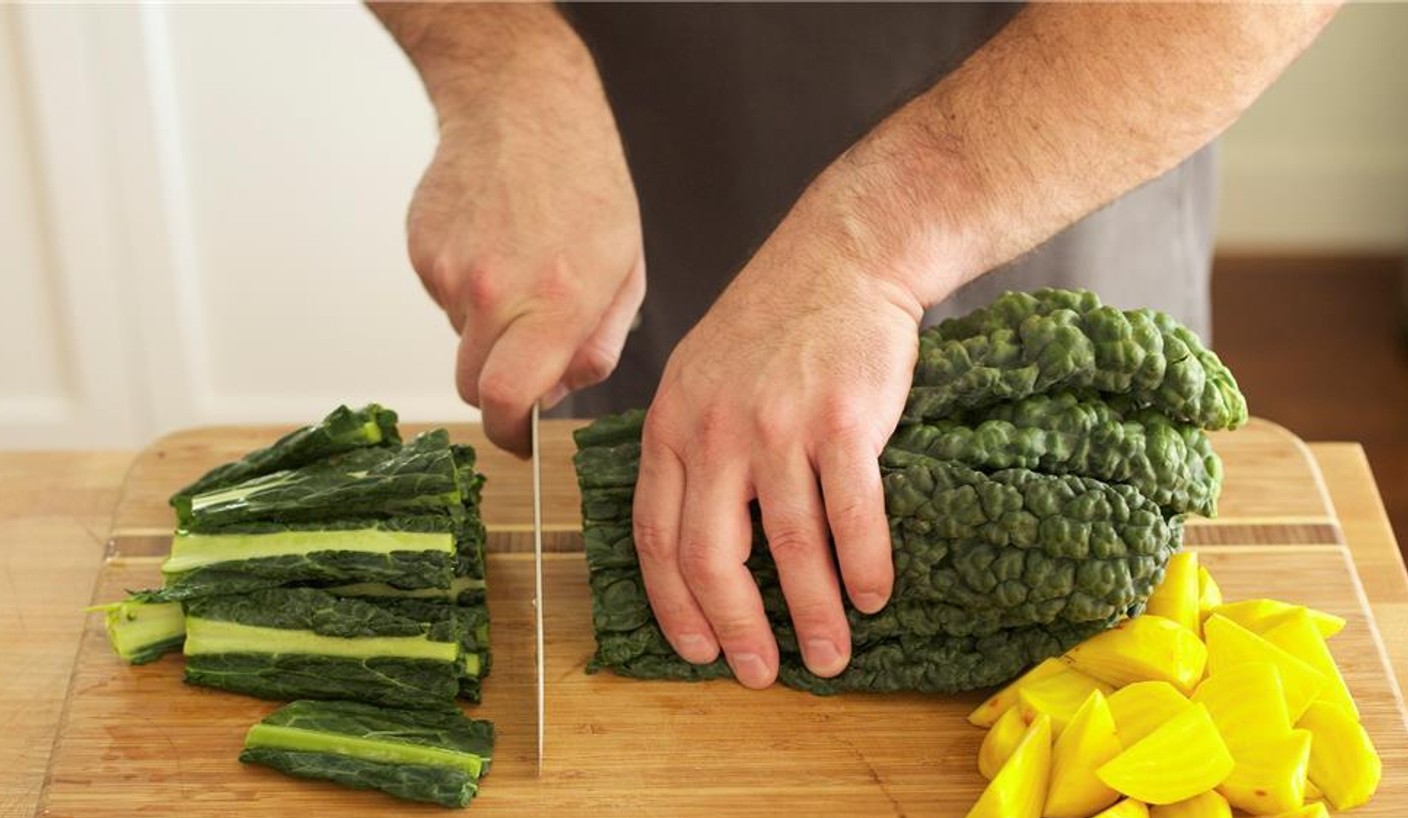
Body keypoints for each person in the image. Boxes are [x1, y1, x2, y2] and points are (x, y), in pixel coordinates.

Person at [369, 1, 1339, 690]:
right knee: (647, 552)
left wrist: (878, 239)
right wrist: (496, 50)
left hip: (1044, 159)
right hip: (630, 168)